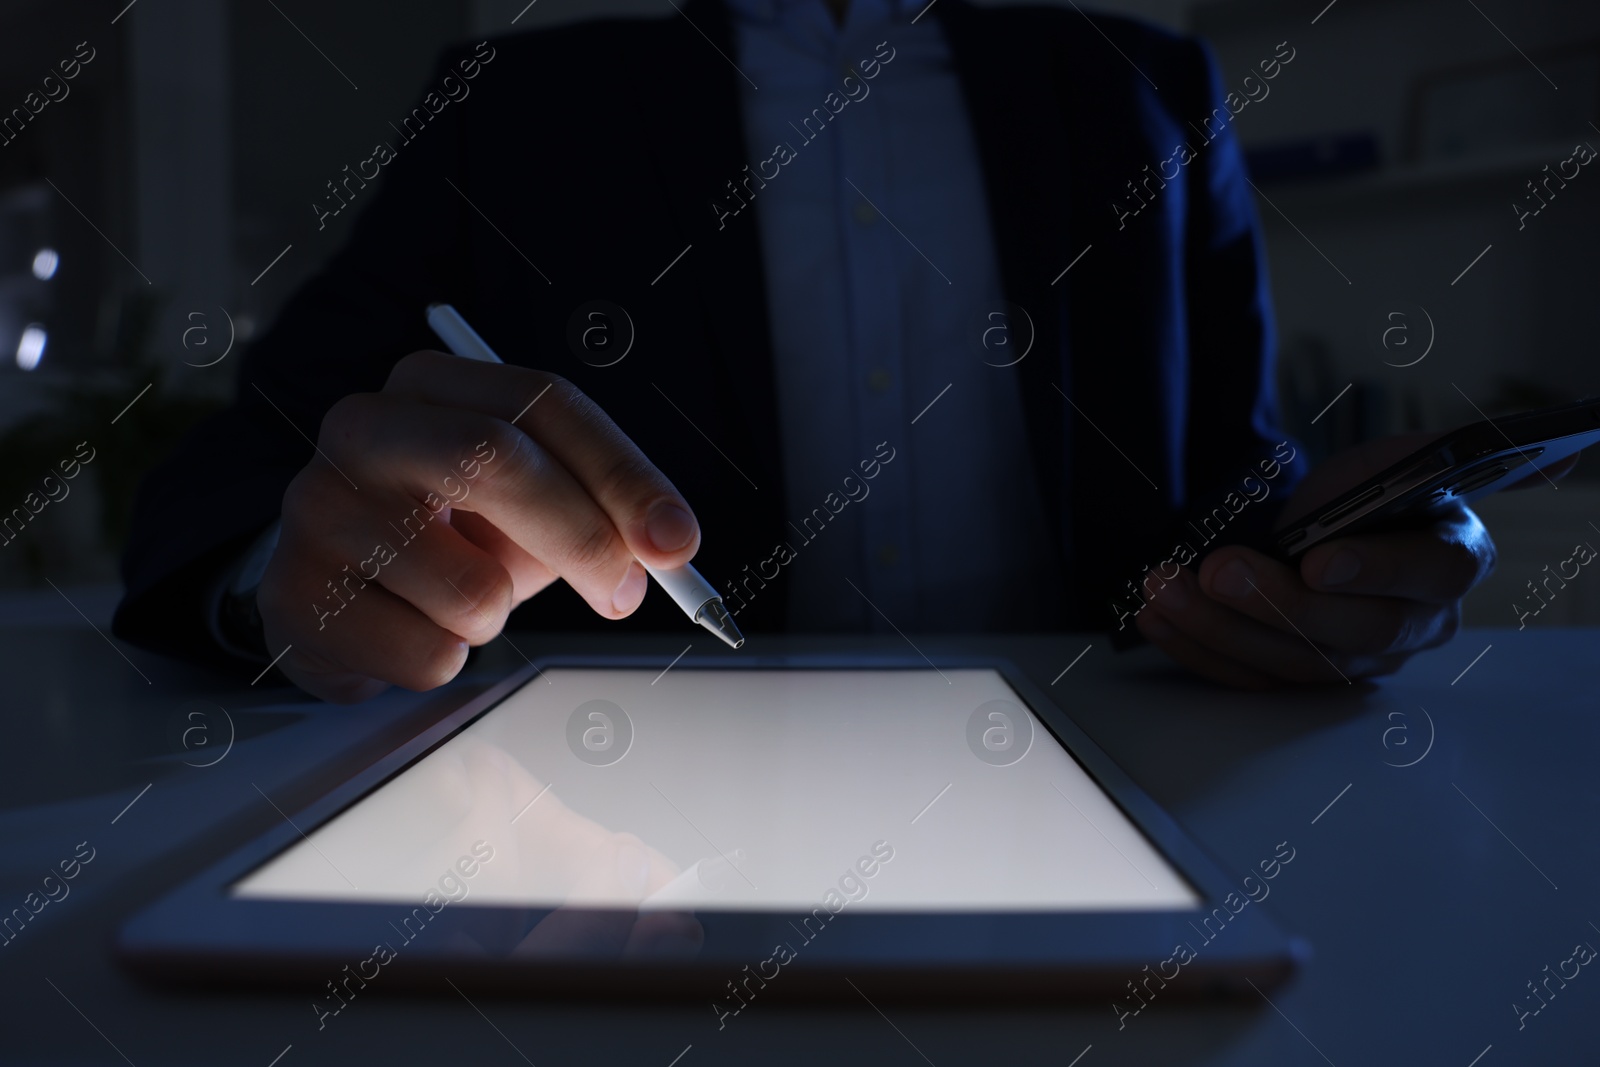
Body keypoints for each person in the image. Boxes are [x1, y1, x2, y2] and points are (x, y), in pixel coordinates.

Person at [113, 0, 1539, 701]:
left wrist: (1345, 566)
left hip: (1118, 803)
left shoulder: (1146, 88)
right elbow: (236, 477)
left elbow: (1236, 479)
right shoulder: (520, 106)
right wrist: (288, 582)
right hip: (618, 874)